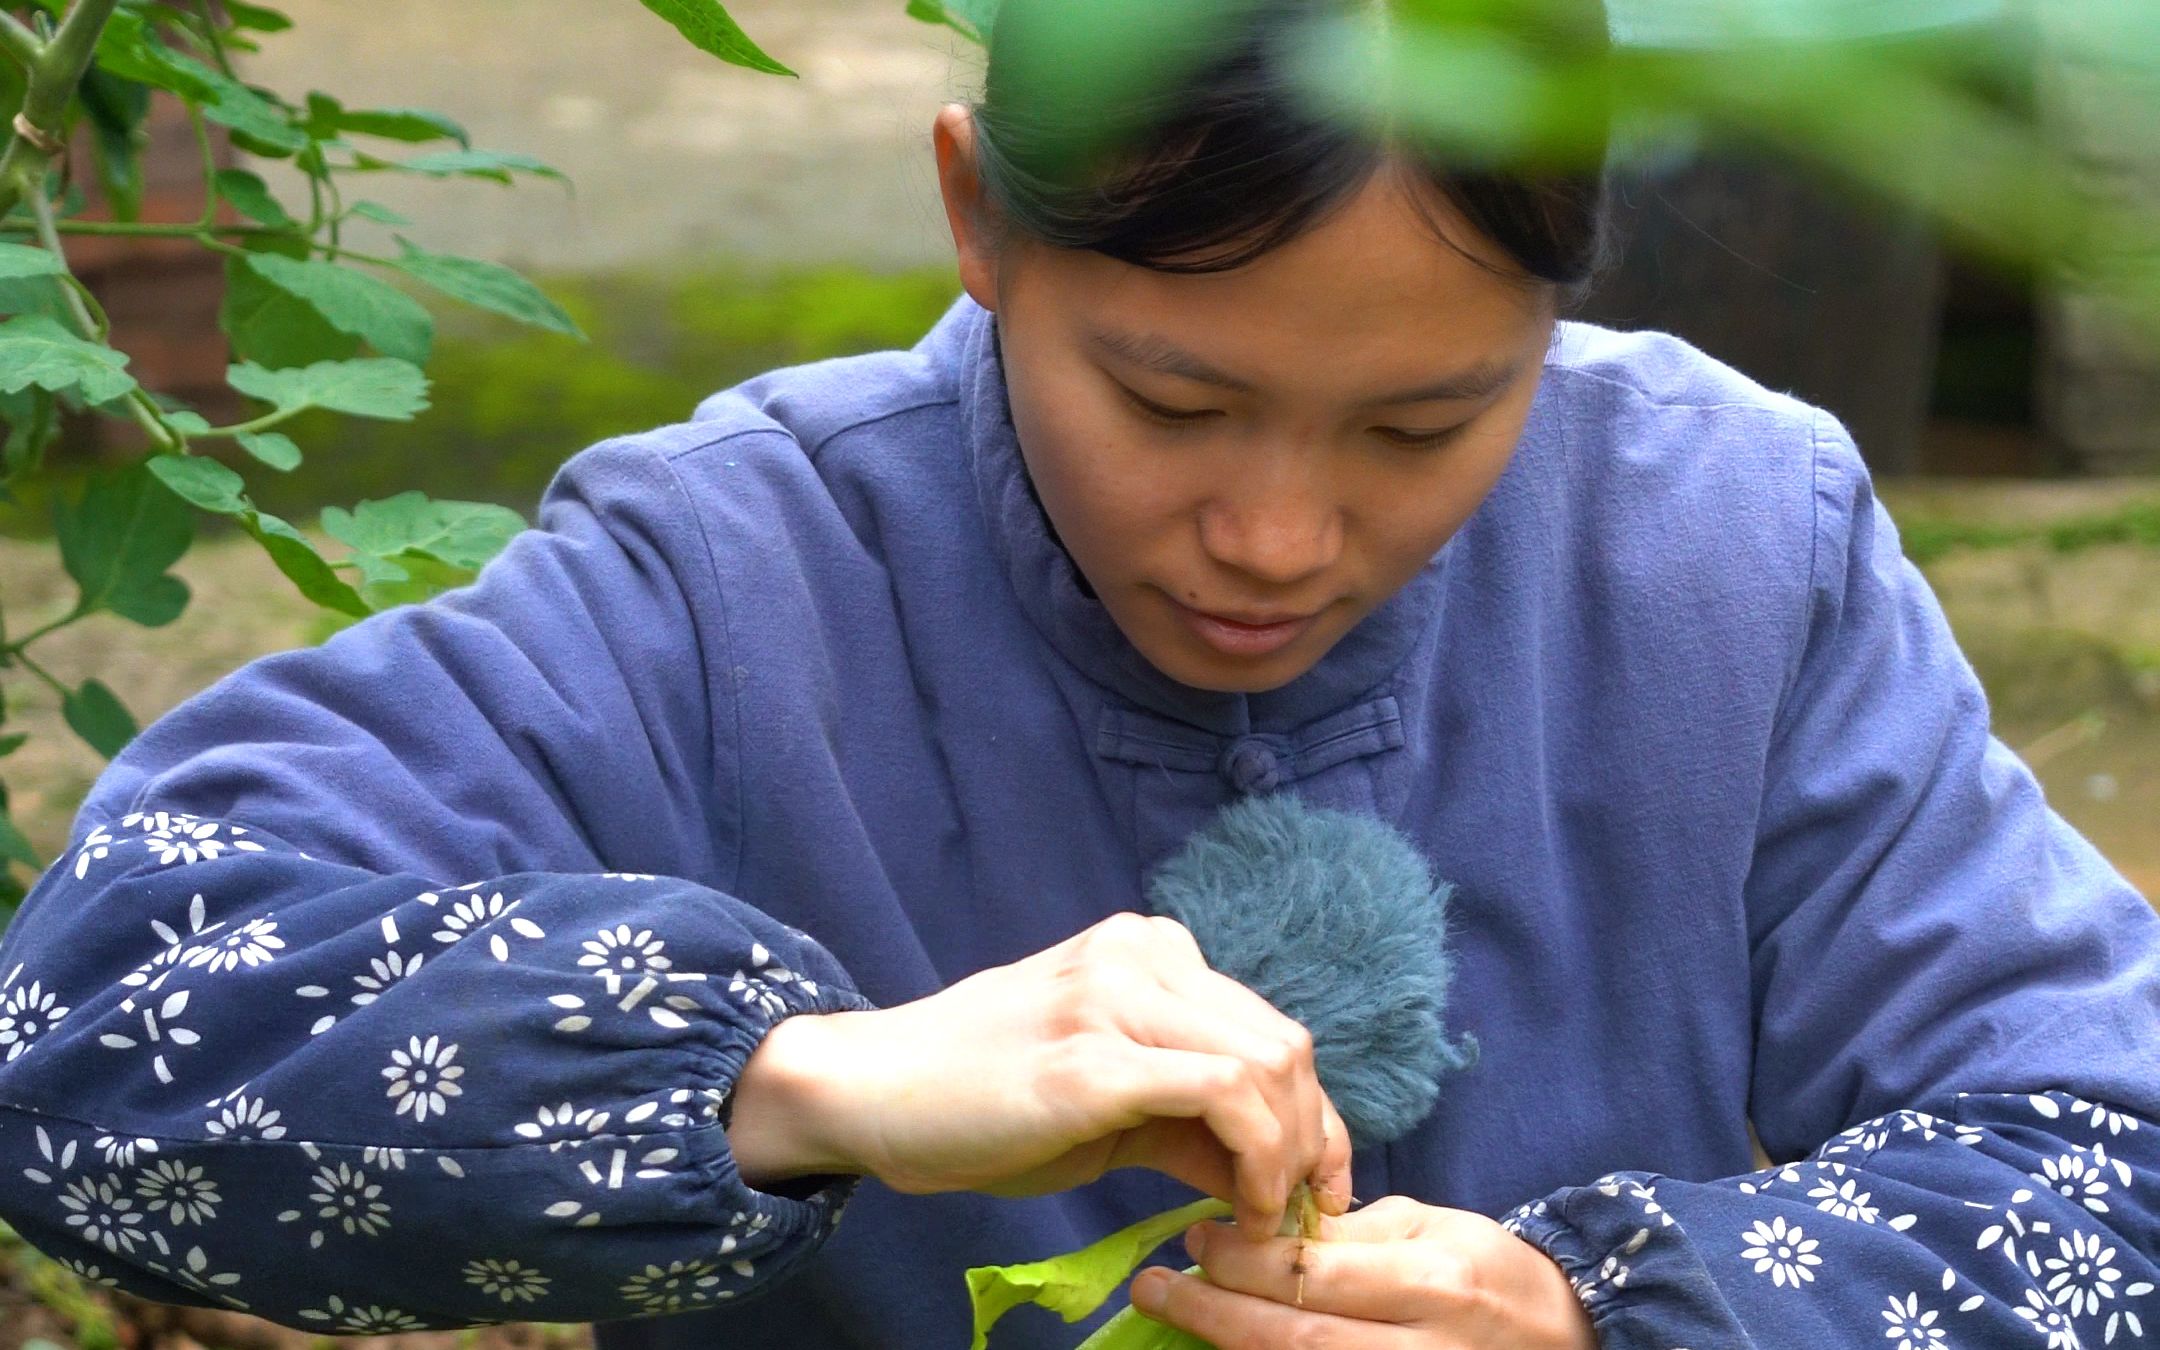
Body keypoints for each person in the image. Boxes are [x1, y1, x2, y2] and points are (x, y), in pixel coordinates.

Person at [2, 1, 2156, 1346]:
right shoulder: (733, 575)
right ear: (982, 221)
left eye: (1428, 426)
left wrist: (1615, 1316)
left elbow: (2110, 1153)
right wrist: (802, 1084)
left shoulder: (1722, 547)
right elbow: (91, 1033)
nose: (1279, 535)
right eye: (1171, 398)